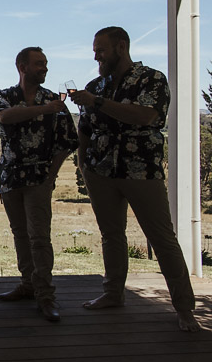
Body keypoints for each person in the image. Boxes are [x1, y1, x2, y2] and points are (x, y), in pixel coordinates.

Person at [69, 26, 200, 332]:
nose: (96, 56)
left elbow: (145, 116)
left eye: (101, 49)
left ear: (121, 47)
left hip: (141, 170)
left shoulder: (151, 79)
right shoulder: (95, 85)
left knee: (162, 239)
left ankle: (184, 308)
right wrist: (83, 163)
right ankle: (113, 294)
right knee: (111, 235)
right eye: (94, 50)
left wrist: (97, 102)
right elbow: (85, 129)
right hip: (100, 172)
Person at [0, 47, 78, 322]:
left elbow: (67, 141)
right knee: (20, 234)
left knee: (39, 237)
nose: (45, 68)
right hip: (10, 177)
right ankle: (28, 285)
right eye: (39, 64)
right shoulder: (4, 97)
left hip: (39, 179)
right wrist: (45, 110)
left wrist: (52, 175)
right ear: (22, 66)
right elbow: (4, 118)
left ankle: (45, 295)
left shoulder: (54, 99)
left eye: (46, 64)